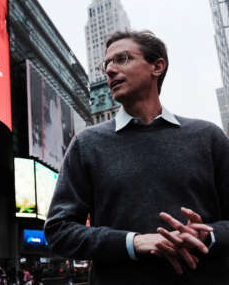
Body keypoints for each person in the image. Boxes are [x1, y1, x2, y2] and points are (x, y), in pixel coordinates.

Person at [44, 30, 229, 284]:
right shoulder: (86, 144)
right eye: (106, 64)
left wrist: (208, 235)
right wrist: (133, 242)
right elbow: (59, 230)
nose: (109, 70)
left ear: (157, 66)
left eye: (122, 59)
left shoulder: (209, 137)